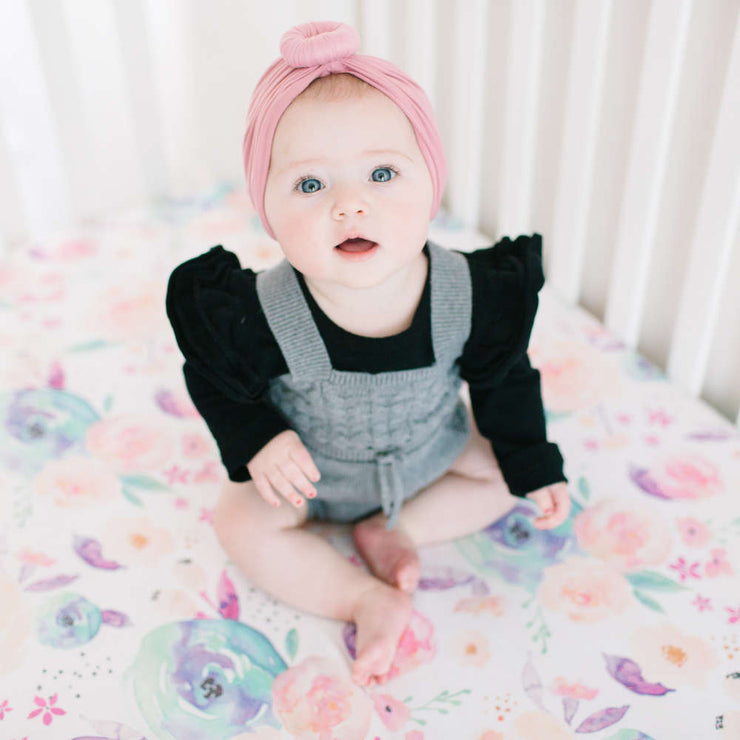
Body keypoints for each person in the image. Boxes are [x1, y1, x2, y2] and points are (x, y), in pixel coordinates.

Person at [166, 20, 571, 687]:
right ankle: (362, 598)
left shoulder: (473, 293)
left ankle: (399, 531)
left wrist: (533, 460)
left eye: (382, 174)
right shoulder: (255, 312)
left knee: (508, 474)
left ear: (431, 184)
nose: (350, 206)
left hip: (430, 454)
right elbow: (215, 377)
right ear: (266, 210)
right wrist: (259, 439)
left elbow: (505, 381)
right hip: (308, 479)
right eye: (310, 185)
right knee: (237, 522)